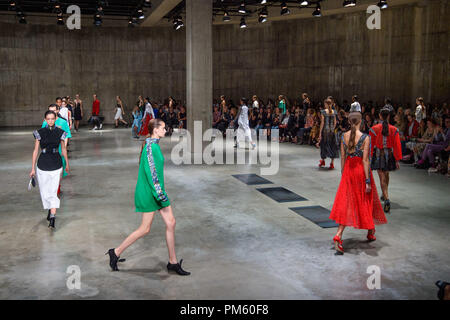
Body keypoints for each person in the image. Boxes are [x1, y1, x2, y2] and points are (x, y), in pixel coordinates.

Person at [106, 119, 190, 276]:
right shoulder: (151, 148)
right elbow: (153, 176)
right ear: (156, 130)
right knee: (144, 229)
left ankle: (173, 262)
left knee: (171, 223)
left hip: (156, 191)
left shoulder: (153, 145)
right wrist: (161, 195)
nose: (166, 130)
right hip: (151, 193)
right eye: (163, 128)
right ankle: (115, 252)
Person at [329, 112, 386, 255]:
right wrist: (367, 180)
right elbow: (365, 160)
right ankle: (370, 231)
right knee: (366, 200)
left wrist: (344, 174)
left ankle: (339, 235)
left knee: (347, 203)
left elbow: (343, 157)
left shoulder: (343, 136)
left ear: (349, 121)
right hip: (361, 172)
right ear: (361, 122)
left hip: (348, 171)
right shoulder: (366, 138)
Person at [31, 110, 70, 229]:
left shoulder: (60, 132)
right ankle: (50, 209)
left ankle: (52, 216)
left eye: (53, 118)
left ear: (55, 119)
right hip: (42, 164)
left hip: (56, 163)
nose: (51, 121)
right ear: (45, 120)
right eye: (48, 119)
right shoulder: (39, 133)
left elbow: (63, 149)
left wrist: (67, 163)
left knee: (53, 191)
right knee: (45, 191)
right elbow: (35, 150)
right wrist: (32, 168)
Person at [369, 108, 402, 213]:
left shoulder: (374, 129)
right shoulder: (394, 129)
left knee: (382, 177)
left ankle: (386, 198)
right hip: (389, 155)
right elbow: (397, 145)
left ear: (380, 116)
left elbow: (371, 145)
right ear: (388, 117)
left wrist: (369, 157)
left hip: (379, 155)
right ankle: (385, 194)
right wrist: (397, 160)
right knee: (386, 175)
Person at [42, 104, 71, 180]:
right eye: (50, 110)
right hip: (49, 149)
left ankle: (57, 187)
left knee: (60, 169)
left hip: (60, 148)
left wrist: (63, 148)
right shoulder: (45, 122)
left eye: (54, 110)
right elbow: (42, 136)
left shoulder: (63, 122)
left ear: (58, 110)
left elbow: (66, 137)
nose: (52, 112)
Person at [318, 98, 339, 169]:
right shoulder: (334, 111)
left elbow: (322, 123)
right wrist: (332, 128)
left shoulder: (323, 112)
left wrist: (320, 133)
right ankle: (332, 163)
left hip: (325, 131)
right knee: (333, 146)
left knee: (324, 145)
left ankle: (323, 160)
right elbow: (335, 122)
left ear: (326, 104)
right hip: (332, 131)